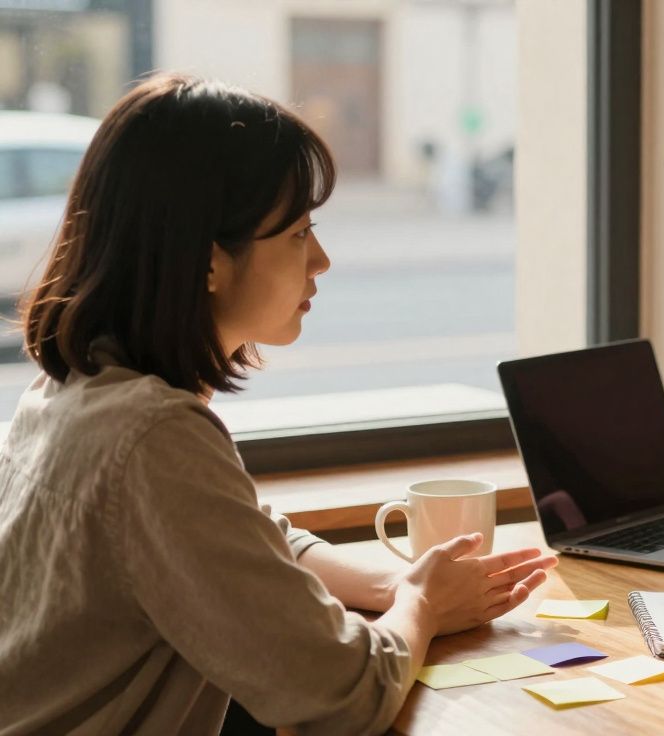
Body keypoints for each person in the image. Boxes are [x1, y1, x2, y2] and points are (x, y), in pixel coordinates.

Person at [0, 73, 557, 735]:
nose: (320, 260)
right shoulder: (152, 438)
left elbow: (248, 537)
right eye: (296, 234)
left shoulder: (77, 389)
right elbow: (345, 693)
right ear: (211, 262)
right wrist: (422, 607)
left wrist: (395, 590)